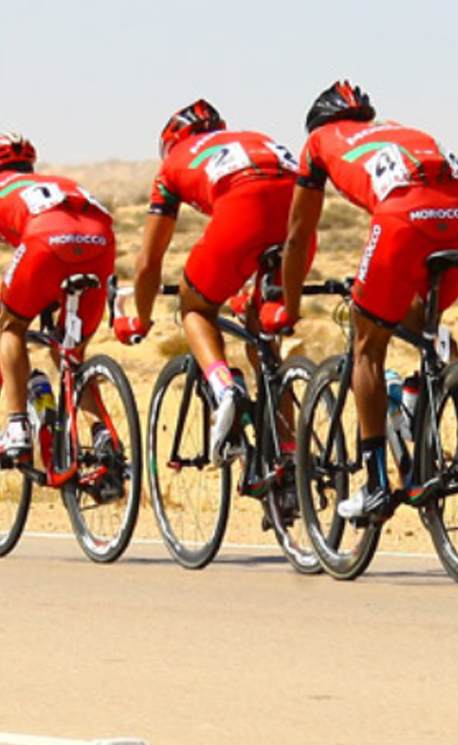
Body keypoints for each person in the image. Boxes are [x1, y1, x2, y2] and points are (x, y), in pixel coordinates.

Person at [272, 80, 458, 522]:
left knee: (367, 346)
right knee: (423, 321)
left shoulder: (318, 143)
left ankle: (373, 487)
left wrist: (288, 307)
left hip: (403, 223)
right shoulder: (397, 129)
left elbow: (297, 236)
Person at [113, 100, 312, 482]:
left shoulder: (173, 164)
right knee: (262, 332)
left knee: (196, 307)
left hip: (241, 212)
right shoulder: (256, 137)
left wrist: (140, 318)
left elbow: (148, 263)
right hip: (299, 220)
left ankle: (224, 389)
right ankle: (287, 456)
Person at [0, 132, 115, 469]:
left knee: (11, 327)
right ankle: (101, 433)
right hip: (101, 239)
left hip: (45, 241)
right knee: (71, 354)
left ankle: (17, 427)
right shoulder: (56, 181)